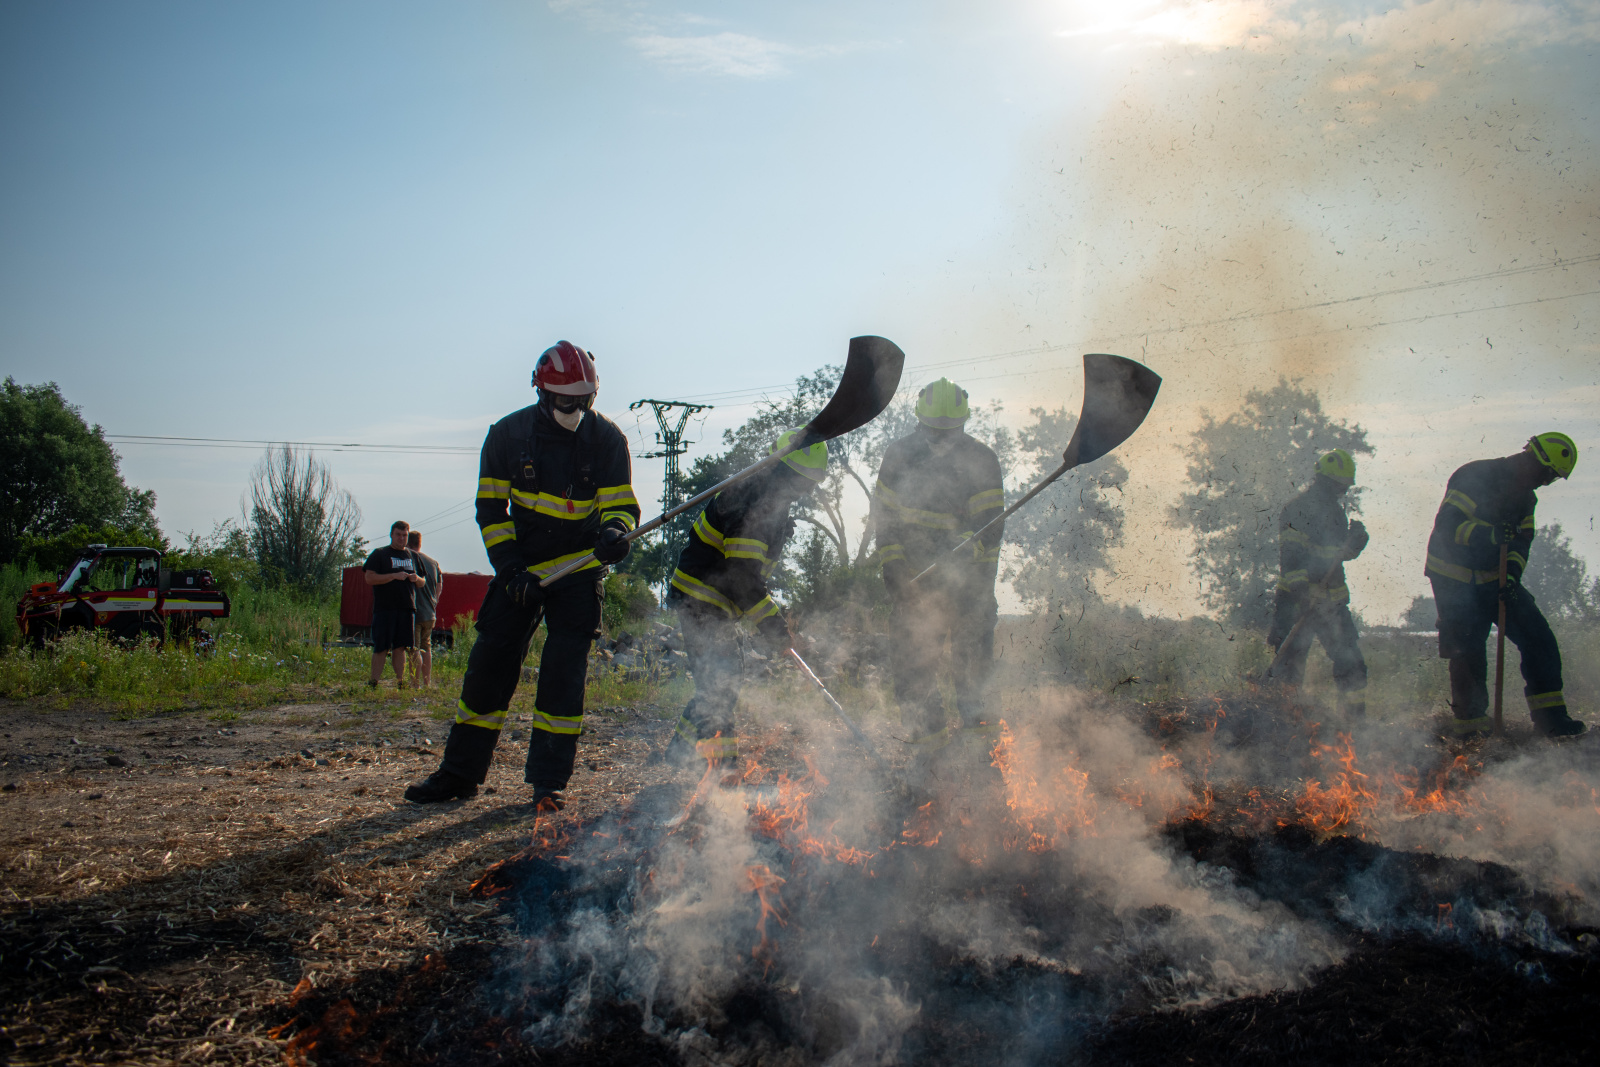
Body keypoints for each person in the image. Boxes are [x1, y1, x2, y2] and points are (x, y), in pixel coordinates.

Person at [404, 341, 640, 808]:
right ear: (543, 393)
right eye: (566, 400)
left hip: (578, 570)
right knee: (489, 667)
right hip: (521, 570)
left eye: (584, 400)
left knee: (562, 674)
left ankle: (547, 784)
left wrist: (617, 533)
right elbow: (491, 511)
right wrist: (510, 569)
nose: (575, 408)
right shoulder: (507, 437)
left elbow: (622, 508)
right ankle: (458, 775)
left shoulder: (608, 441)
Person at [666, 429, 827, 769]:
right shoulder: (761, 502)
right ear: (785, 471)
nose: (808, 490)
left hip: (705, 599)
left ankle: (677, 752)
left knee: (719, 680)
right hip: (701, 599)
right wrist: (774, 628)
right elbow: (741, 578)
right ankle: (722, 773)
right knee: (721, 683)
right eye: (805, 481)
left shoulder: (763, 494)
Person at [873, 379, 1005, 768]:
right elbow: (885, 522)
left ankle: (981, 762)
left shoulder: (982, 460)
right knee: (913, 674)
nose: (942, 438)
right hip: (915, 588)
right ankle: (929, 763)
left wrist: (966, 547)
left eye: (950, 431)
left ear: (963, 424)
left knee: (973, 677)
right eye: (934, 430)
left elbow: (992, 525)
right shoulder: (898, 457)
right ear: (920, 421)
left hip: (971, 590)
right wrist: (894, 569)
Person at [1425, 432, 1585, 739]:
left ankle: (1551, 721)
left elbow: (1521, 546)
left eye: (1552, 479)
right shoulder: (1474, 475)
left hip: (1493, 578)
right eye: (1547, 474)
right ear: (1532, 459)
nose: (1546, 482)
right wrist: (1492, 534)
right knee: (1467, 649)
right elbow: (1448, 526)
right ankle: (1472, 731)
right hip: (1453, 578)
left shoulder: (1527, 499)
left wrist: (1511, 577)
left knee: (1539, 639)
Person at [1267, 449, 1370, 717]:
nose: (1342, 492)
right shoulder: (1297, 509)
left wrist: (1355, 541)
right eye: (1339, 486)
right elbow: (1290, 558)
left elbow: (1336, 557)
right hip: (1296, 602)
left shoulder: (1336, 512)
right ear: (1325, 481)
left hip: (1331, 604)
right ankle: (1282, 723)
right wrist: (1303, 595)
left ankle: (1353, 724)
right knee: (1288, 668)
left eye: (1344, 487)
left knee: (1352, 663)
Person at [364, 521, 425, 688]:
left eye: (405, 535)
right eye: (398, 534)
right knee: (381, 647)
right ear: (391, 534)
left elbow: (422, 582)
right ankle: (373, 682)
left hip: (406, 608)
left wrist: (416, 579)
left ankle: (400, 682)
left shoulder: (413, 556)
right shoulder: (380, 554)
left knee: (401, 647)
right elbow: (369, 578)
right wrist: (392, 576)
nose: (401, 538)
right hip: (385, 608)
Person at [407, 530, 444, 689]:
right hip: (430, 612)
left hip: (414, 612)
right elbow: (439, 586)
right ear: (420, 543)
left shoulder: (408, 559)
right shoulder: (433, 563)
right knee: (426, 647)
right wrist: (433, 602)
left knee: (413, 648)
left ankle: (414, 683)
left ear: (408, 543)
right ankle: (427, 682)